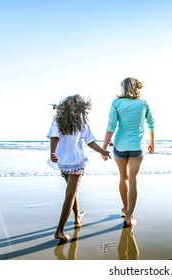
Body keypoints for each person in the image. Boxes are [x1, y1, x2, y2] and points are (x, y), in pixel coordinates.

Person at [48, 94, 111, 241]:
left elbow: (54, 137)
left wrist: (52, 152)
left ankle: (77, 217)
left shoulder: (58, 121)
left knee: (72, 192)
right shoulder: (82, 122)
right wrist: (102, 151)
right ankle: (59, 231)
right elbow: (90, 142)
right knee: (70, 194)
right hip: (76, 161)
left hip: (62, 162)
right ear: (80, 108)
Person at [102, 77, 155, 227]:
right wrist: (152, 142)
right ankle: (130, 217)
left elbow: (111, 126)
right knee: (133, 179)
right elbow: (151, 124)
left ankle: (126, 208)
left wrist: (104, 147)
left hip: (120, 145)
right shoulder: (143, 103)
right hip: (137, 146)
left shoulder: (116, 103)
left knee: (123, 177)